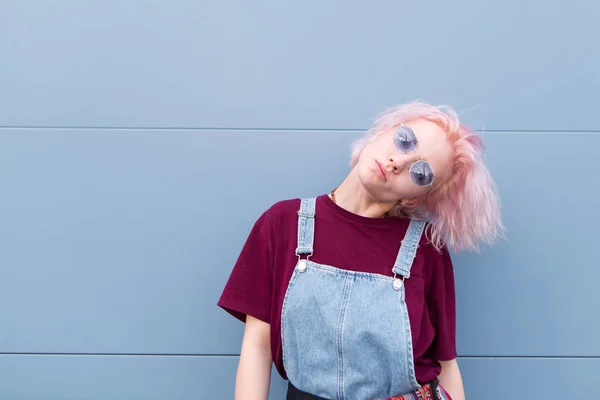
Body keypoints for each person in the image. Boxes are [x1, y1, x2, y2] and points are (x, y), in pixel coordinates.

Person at [217, 101, 503, 400]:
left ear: (418, 198)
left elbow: (446, 364)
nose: (398, 163)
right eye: (405, 141)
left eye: (420, 173)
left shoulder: (426, 248)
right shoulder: (282, 224)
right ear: (381, 131)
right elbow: (257, 348)